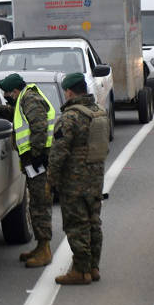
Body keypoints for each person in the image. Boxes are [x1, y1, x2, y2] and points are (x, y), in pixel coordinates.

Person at [48, 72, 109, 285]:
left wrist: (51, 180)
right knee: (94, 222)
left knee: (76, 224)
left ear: (69, 92)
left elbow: (58, 152)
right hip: (96, 178)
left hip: (74, 181)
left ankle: (80, 271)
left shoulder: (70, 117)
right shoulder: (100, 112)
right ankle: (93, 267)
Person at [0, 73, 55, 268]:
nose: (7, 96)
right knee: (35, 204)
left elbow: (39, 127)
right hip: (33, 162)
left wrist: (36, 155)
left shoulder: (30, 99)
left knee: (39, 206)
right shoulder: (25, 98)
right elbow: (18, 115)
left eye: (7, 94)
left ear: (15, 91)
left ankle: (45, 249)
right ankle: (40, 246)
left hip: (37, 163)